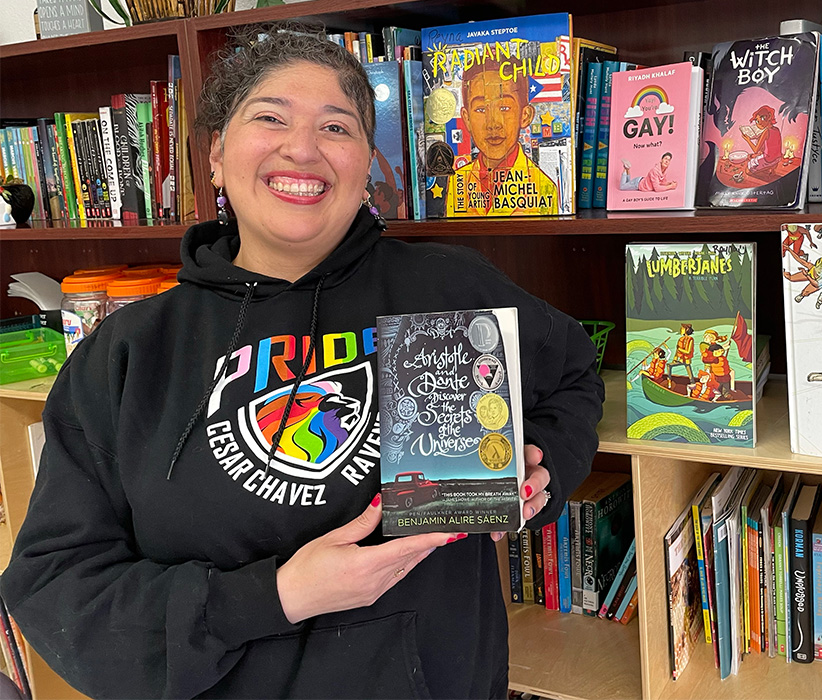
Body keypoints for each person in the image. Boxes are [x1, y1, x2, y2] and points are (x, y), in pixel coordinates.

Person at [0, 25, 603, 699]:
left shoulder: (448, 288)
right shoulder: (127, 351)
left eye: (336, 127)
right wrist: (278, 595)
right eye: (270, 118)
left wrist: (542, 469)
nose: (303, 148)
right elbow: (59, 590)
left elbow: (573, 375)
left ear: (366, 163)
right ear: (217, 154)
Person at [448, 56, 559, 216]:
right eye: (481, 110)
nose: (493, 123)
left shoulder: (543, 186)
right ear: (467, 119)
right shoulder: (457, 181)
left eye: (505, 108)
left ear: (525, 116)